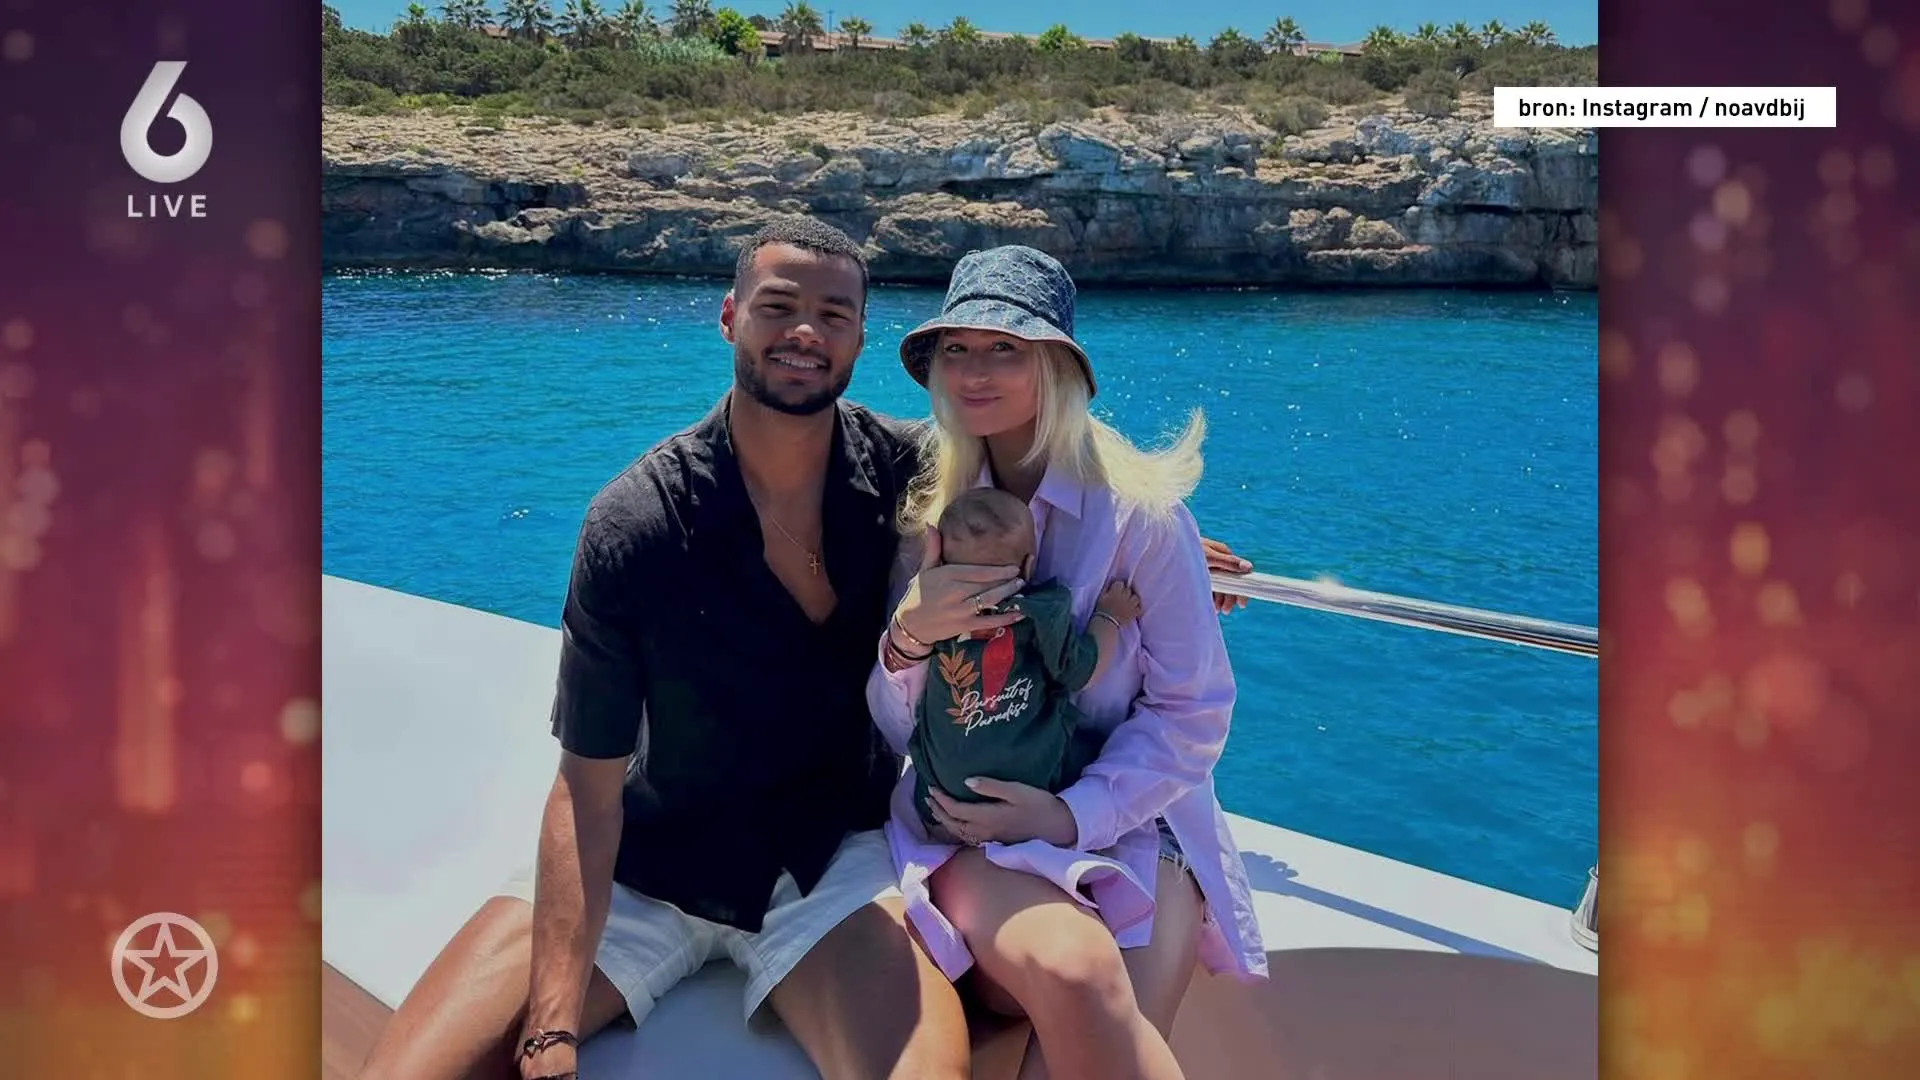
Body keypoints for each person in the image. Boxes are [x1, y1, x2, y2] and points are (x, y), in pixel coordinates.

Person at [353, 219, 1254, 1080]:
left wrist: (1174, 551)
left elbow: (1064, 500)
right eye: (778, 307)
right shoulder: (639, 523)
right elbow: (584, 788)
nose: (804, 334)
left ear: (861, 339)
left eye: (833, 314)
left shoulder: (904, 479)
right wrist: (551, 1025)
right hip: (652, 862)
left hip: (830, 863)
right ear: (730, 316)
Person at [870, 245, 1269, 1080]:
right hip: (975, 816)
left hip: (1132, 817)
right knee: (1071, 993)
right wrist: (906, 640)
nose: (975, 370)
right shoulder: (935, 513)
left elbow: (1191, 713)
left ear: (1057, 367)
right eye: (956, 348)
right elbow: (908, 725)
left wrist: (1068, 816)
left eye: (1005, 348)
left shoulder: (1142, 520)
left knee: (1091, 1054)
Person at [906, 486, 1143, 843]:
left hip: (940, 800)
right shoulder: (1039, 612)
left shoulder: (935, 619)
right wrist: (1110, 616)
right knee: (1091, 747)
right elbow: (1082, 672)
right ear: (1030, 565)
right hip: (1029, 793)